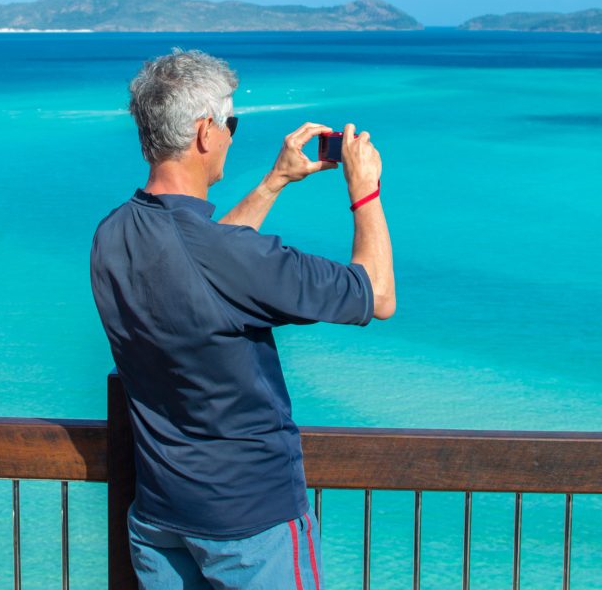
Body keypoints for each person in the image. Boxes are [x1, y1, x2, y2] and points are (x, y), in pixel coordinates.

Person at [91, 49, 395, 590]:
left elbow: (204, 260)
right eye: (230, 124)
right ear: (205, 132)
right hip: (252, 522)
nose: (232, 136)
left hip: (161, 516)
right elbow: (376, 295)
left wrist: (274, 182)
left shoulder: (111, 236)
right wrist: (364, 189)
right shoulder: (226, 257)